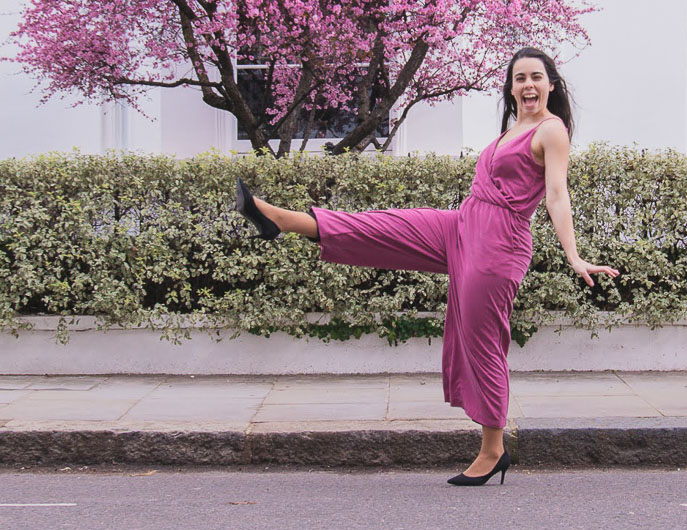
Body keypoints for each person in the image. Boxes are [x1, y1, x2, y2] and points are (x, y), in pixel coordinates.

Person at [234, 46, 619, 486]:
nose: (528, 85)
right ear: (511, 89)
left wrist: (573, 254)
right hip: (462, 225)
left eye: (536, 77)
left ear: (551, 84)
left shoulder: (552, 131)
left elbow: (556, 195)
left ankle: (493, 450)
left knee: (483, 345)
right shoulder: (513, 129)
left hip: (498, 246)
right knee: (382, 228)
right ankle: (278, 219)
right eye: (519, 79)